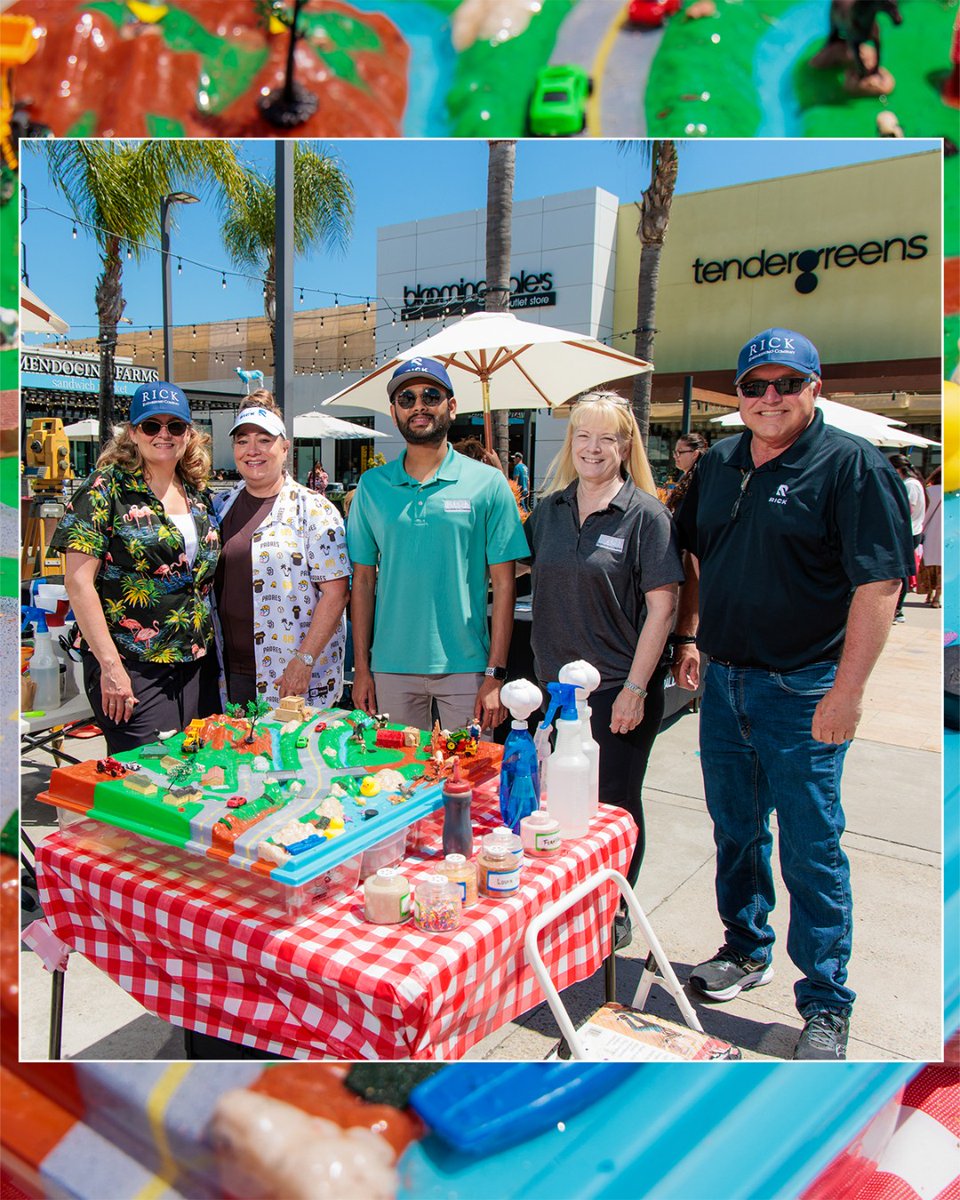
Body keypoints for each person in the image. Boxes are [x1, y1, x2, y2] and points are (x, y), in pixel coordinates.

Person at [671, 328, 913, 1060]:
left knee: (812, 847)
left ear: (815, 387)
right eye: (755, 386)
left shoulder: (850, 467)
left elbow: (880, 585)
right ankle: (745, 949)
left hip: (805, 688)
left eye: (787, 383)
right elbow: (688, 550)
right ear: (738, 395)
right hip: (725, 682)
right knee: (735, 828)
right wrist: (689, 636)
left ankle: (826, 1000)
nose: (769, 398)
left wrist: (848, 692)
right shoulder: (718, 463)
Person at [525, 392, 683, 947]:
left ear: (625, 445)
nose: (592, 448)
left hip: (618, 689)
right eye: (582, 436)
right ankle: (566, 903)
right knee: (558, 803)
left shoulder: (646, 515)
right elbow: (515, 576)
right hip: (554, 692)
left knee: (613, 806)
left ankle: (614, 905)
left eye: (606, 438)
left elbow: (663, 607)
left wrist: (637, 688)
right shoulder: (549, 510)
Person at [347, 356, 528, 732]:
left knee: (473, 782)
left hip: (468, 667)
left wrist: (495, 674)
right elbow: (362, 582)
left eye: (431, 395)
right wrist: (361, 669)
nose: (419, 406)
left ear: (452, 405)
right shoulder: (372, 486)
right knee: (398, 785)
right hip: (390, 667)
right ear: (394, 411)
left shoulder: (488, 484)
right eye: (406, 398)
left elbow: (506, 584)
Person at [50, 382, 220, 752]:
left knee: (194, 770)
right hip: (131, 664)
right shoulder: (104, 489)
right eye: (151, 426)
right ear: (132, 433)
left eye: (175, 426)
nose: (164, 434)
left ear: (188, 434)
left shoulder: (197, 493)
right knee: (145, 776)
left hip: (194, 661)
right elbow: (78, 584)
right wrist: (111, 668)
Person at [212, 392, 350, 710]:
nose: (253, 451)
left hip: (294, 677)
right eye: (243, 441)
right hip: (230, 675)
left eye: (264, 440)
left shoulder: (314, 509)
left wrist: (304, 660)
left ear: (284, 447)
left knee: (294, 758)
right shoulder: (220, 506)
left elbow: (336, 593)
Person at [888, 453, 926, 623]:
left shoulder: (910, 485)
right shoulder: (914, 483)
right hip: (912, 531)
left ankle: (897, 610)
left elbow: (906, 510)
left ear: (898, 468)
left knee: (899, 572)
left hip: (908, 533)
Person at [664, 432, 709, 514]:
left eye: (679, 452)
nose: (675, 456)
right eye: (675, 452)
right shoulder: (686, 477)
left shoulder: (699, 479)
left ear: (695, 454)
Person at [917, 465, 943, 608]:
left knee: (929, 564)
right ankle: (937, 598)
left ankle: (929, 594)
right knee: (943, 567)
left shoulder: (928, 491)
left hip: (929, 532)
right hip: (948, 535)